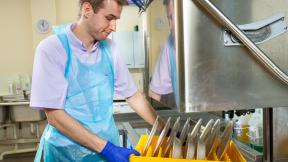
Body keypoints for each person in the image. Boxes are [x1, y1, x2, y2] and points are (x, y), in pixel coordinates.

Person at [30, 0, 164, 161]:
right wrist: (107, 149)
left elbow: (133, 96)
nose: (114, 27)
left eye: (116, 19)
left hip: (103, 151)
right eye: (109, 18)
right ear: (87, 9)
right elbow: (54, 116)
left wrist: (165, 130)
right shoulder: (52, 48)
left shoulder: (110, 49)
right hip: (65, 154)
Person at [149, 0, 178, 107]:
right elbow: (155, 92)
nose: (170, 27)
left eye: (172, 18)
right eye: (168, 18)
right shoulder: (170, 45)